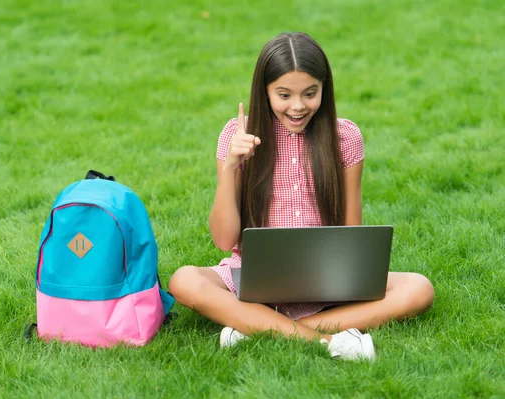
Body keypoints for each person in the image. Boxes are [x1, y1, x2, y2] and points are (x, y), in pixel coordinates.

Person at [168, 32, 435, 361]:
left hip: (325, 279)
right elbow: (224, 240)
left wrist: (343, 277)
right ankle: (324, 339)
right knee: (184, 281)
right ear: (264, 92)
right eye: (284, 94)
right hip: (251, 277)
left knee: (419, 288)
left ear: (325, 88)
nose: (297, 106)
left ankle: (257, 327)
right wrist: (231, 168)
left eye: (310, 93)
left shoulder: (345, 137)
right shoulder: (237, 135)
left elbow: (351, 231)